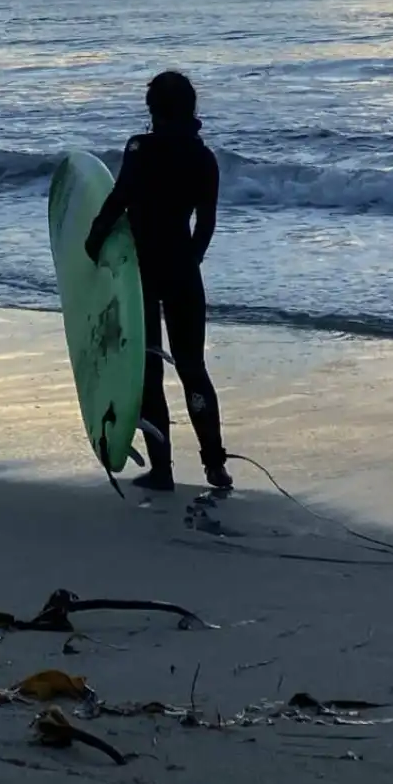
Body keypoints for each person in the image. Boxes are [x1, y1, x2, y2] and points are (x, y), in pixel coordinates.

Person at [85, 70, 230, 494]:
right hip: (183, 270)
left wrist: (93, 242)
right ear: (191, 109)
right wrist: (191, 259)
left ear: (152, 111)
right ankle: (215, 466)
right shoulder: (204, 159)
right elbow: (206, 224)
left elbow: (119, 199)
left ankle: (163, 470)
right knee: (192, 368)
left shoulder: (140, 149)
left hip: (140, 276)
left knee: (147, 371)